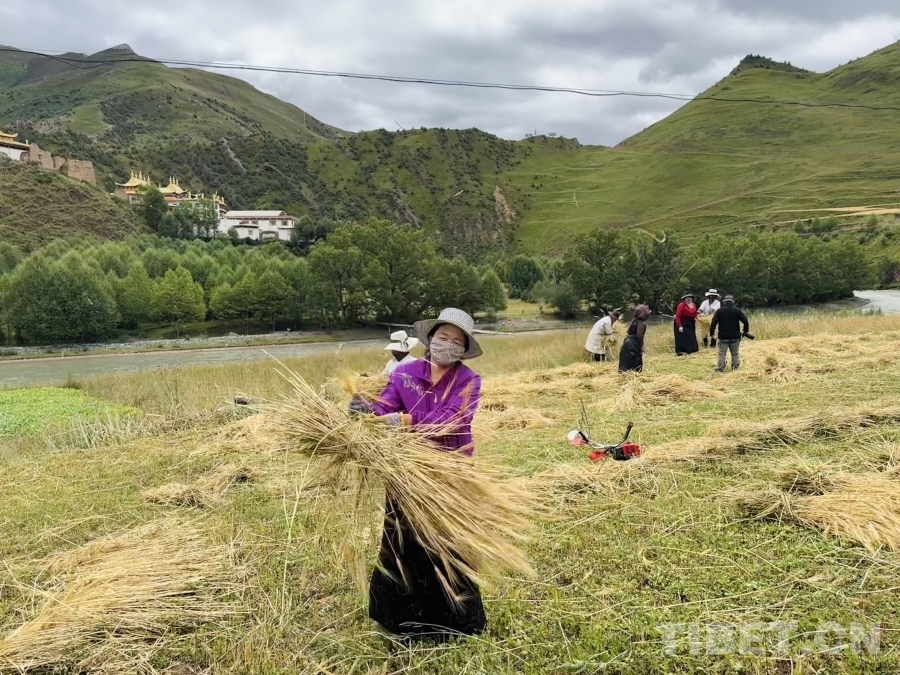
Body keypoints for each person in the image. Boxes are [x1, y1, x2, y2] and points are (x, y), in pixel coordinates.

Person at [367, 307, 486, 640]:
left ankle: (456, 624)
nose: (448, 344)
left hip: (450, 471)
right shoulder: (405, 373)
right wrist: (367, 414)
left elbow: (452, 419)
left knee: (447, 542)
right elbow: (384, 407)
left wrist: (405, 421)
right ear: (430, 339)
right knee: (401, 540)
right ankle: (399, 622)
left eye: (457, 341)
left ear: (464, 349)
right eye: (443, 337)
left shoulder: (469, 380)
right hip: (407, 472)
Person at [710, 295, 750, 372]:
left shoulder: (719, 311)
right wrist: (745, 331)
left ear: (724, 302)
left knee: (722, 353)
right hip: (735, 336)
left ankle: (720, 368)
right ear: (733, 302)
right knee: (735, 354)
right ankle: (735, 368)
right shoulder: (737, 310)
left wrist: (711, 333)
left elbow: (713, 322)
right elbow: (745, 321)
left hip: (723, 336)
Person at [619, 304, 651, 373]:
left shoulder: (634, 321)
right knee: (635, 362)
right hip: (633, 344)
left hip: (627, 343)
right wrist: (641, 348)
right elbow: (639, 336)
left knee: (626, 362)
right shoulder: (641, 323)